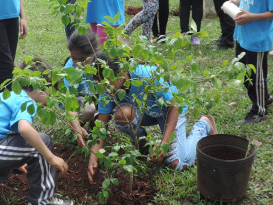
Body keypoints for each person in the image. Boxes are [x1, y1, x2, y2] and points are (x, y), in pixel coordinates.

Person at [0, 60, 74, 205]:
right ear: (41, 87)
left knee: (16, 139)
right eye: (49, 91)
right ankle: (41, 203)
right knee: (42, 142)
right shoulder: (26, 101)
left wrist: (14, 161)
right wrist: (51, 157)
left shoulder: (9, 94)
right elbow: (24, 129)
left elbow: (8, 134)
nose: (49, 97)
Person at [86, 52, 216, 178]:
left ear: (122, 71)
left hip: (170, 112)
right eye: (100, 83)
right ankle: (142, 144)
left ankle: (203, 125)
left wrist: (165, 142)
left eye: (108, 81)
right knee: (122, 115)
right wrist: (93, 156)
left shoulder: (146, 75)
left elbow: (174, 105)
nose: (105, 88)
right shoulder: (106, 87)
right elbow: (101, 124)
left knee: (177, 163)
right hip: (146, 113)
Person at [62, 30, 99, 147]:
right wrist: (76, 127)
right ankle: (78, 126)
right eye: (74, 58)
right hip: (79, 102)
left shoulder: (101, 64)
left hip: (94, 97)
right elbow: (69, 100)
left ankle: (95, 126)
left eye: (82, 59)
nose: (77, 63)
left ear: (94, 53)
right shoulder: (70, 68)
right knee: (89, 109)